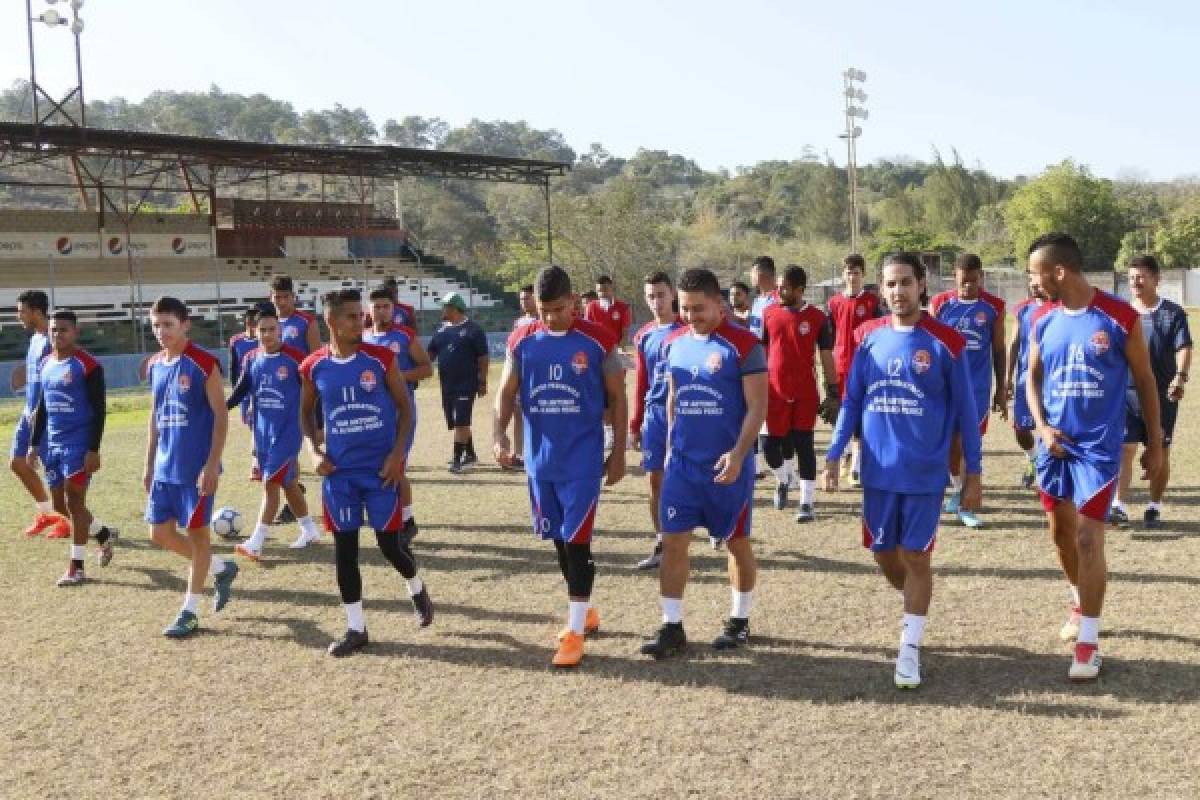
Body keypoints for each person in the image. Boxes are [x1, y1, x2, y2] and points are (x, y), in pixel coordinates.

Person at [825, 252, 983, 689]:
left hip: (924, 473)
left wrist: (975, 474)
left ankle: (909, 648)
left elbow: (967, 414)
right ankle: (915, 596)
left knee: (916, 556)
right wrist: (835, 451)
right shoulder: (868, 337)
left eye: (906, 283)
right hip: (877, 472)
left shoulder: (946, 343)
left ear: (922, 284)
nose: (898, 292)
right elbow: (853, 399)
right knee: (884, 556)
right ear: (882, 288)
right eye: (890, 284)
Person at [1025, 233, 1162, 681]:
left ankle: (1088, 643)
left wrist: (1156, 447)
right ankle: (1077, 597)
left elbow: (1145, 382)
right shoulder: (1041, 318)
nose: (1032, 282)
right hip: (1054, 448)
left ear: (1058, 271)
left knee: (1088, 538)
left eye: (1035, 273)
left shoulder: (1120, 317)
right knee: (1060, 533)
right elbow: (1033, 379)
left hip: (1098, 451)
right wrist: (1042, 428)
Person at [494, 265, 627, 668]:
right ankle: (584, 612)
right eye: (543, 310)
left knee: (578, 543)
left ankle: (573, 634)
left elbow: (618, 399)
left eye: (558, 308)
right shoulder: (522, 340)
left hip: (583, 461)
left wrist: (618, 452)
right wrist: (499, 436)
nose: (551, 318)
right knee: (558, 541)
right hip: (540, 461)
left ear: (574, 301)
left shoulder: (599, 340)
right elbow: (505, 392)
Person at [640, 268, 767, 659]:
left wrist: (739, 453)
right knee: (674, 540)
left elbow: (758, 407)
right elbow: (672, 398)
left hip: (727, 466)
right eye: (685, 307)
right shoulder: (673, 343)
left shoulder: (745, 345)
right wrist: (667, 450)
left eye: (698, 308)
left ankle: (739, 620)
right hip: (682, 466)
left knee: (736, 541)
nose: (690, 315)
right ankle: (672, 625)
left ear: (719, 303)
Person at [300, 288, 434, 657]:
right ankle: (356, 628)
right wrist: (313, 449)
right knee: (345, 551)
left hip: (380, 472)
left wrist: (396, 456)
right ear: (331, 321)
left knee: (390, 546)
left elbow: (405, 410)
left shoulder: (380, 359)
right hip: (339, 476)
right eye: (352, 317)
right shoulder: (313, 366)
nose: (361, 322)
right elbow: (306, 413)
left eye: (362, 316)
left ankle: (416, 586)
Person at [143, 296, 238, 638]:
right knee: (159, 533)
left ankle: (190, 610)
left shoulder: (202, 363)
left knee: (198, 536)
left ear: (185, 325)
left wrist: (211, 466)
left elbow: (221, 417)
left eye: (168, 324)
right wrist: (148, 463)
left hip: (195, 469)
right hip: (165, 468)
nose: (161, 331)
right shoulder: (155, 364)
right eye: (155, 325)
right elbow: (155, 419)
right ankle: (220, 567)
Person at [226, 303, 322, 561]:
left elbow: (315, 393)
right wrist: (220, 408)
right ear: (254, 331)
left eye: (272, 329)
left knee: (271, 485)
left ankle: (255, 542)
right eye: (262, 330)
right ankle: (310, 530)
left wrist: (317, 425)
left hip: (287, 432)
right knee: (289, 484)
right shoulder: (251, 358)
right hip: (262, 433)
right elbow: (241, 389)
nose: (267, 334)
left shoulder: (295, 359)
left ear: (280, 331)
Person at [28, 310, 117, 585]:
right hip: (52, 443)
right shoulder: (46, 363)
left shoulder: (88, 365)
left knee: (74, 502)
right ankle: (103, 534)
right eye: (54, 330)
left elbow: (100, 410)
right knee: (59, 504)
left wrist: (93, 449)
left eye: (64, 330)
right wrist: (33, 444)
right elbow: (42, 406)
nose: (58, 334)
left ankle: (76, 567)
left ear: (75, 332)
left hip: (78, 443)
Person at [1111, 255, 1192, 530]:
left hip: (1161, 395)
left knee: (1161, 451)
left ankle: (1154, 505)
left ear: (1157, 280)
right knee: (1125, 448)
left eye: (1142, 276)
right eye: (1132, 277)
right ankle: (1118, 506)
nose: (1136, 281)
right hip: (1127, 394)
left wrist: (1180, 377)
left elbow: (1184, 348)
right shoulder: (1120, 313)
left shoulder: (1173, 313)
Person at [930, 253, 1006, 529]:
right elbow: (929, 343)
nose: (968, 286)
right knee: (950, 445)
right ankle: (956, 488)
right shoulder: (940, 304)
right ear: (955, 277)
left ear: (981, 277)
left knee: (967, 444)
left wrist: (1002, 387)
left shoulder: (994, 307)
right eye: (964, 281)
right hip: (943, 388)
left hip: (977, 389)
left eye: (973, 281)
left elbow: (998, 349)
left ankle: (966, 503)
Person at [761, 266, 837, 522]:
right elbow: (761, 353)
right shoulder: (768, 313)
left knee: (804, 446)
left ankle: (807, 503)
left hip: (805, 393)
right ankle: (784, 479)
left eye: (784, 287)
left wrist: (833, 389)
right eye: (778, 286)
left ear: (800, 290)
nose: (779, 291)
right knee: (771, 447)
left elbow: (826, 355)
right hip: (774, 393)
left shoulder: (817, 318)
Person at [363, 287, 434, 545]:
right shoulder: (362, 339)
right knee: (377, 465)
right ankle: (388, 519)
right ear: (368, 310)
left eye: (386, 306)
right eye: (377, 306)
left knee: (397, 465)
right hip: (373, 414)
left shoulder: (404, 336)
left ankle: (408, 520)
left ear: (393, 309)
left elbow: (427, 368)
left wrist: (398, 377)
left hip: (401, 411)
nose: (381, 311)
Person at [629, 271, 684, 570]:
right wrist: (635, 424)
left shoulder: (688, 329)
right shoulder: (643, 335)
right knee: (654, 480)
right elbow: (641, 383)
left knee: (692, 476)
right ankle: (662, 542)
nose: (656, 301)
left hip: (686, 416)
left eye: (661, 294)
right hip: (655, 417)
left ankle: (717, 527)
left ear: (673, 294)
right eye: (651, 296)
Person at [10, 290, 68, 538]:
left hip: (44, 417)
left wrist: (42, 412)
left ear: (36, 312)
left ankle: (66, 520)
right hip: (28, 413)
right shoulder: (35, 338)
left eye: (22, 311)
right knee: (17, 463)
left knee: (53, 473)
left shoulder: (51, 341)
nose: (18, 316)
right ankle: (47, 513)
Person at [827, 254, 884, 488]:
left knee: (862, 417)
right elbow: (827, 339)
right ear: (843, 274)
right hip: (840, 366)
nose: (852, 277)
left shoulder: (872, 303)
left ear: (863, 275)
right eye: (848, 272)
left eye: (857, 272)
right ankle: (844, 456)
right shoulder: (833, 303)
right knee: (841, 414)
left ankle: (856, 467)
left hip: (864, 367)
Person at [426, 292, 489, 473]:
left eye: (444, 306)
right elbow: (429, 355)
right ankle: (470, 454)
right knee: (457, 421)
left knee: (461, 421)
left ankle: (457, 460)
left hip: (466, 384)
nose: (442, 310)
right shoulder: (441, 331)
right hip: (447, 385)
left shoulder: (473, 330)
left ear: (454, 308)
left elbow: (483, 357)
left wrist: (482, 380)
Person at [1005, 277, 1048, 489]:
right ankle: (1033, 458)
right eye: (1030, 280)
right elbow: (1014, 344)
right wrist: (1007, 378)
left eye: (1037, 280)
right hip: (1026, 380)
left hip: (1053, 380)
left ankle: (1047, 469)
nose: (1034, 285)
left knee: (1049, 426)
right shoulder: (1022, 309)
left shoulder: (1058, 308)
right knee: (1021, 429)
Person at [270, 275, 322, 355]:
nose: (282, 302)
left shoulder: (307, 322)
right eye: (278, 297)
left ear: (293, 296)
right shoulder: (266, 323)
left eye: (286, 297)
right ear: (271, 297)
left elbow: (316, 358)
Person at [228, 307, 259, 429]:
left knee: (258, 423)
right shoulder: (236, 341)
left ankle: (257, 446)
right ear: (248, 323)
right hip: (243, 389)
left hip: (258, 389)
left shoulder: (263, 341)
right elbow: (233, 366)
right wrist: (235, 388)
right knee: (248, 422)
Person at [583, 275, 633, 347]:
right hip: (597, 349)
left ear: (612, 288)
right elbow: (587, 331)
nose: (602, 294)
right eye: (599, 291)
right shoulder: (590, 307)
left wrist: (619, 350)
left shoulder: (623, 308)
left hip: (615, 349)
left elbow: (625, 334)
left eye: (605, 290)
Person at [746, 256, 778, 340]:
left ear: (760, 274)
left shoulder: (779, 300)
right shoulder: (755, 300)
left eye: (752, 272)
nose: (750, 276)